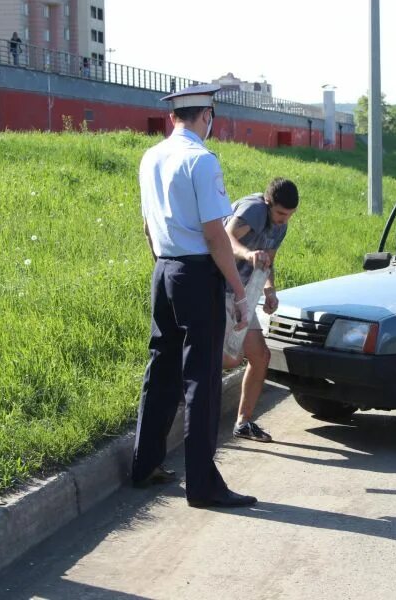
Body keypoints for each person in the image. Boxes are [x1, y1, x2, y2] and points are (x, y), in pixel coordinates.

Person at [132, 83, 256, 509]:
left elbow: (149, 225)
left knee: (161, 366)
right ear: (207, 117)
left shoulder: (151, 157)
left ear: (172, 118)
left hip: (163, 268)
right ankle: (203, 485)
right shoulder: (202, 161)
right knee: (201, 377)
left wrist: (164, 265)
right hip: (197, 273)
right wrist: (238, 292)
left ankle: (144, 463)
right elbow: (215, 235)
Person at [222, 178, 299, 442]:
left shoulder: (281, 225)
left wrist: (269, 290)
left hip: (243, 293)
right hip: (219, 288)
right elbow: (225, 239)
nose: (283, 220)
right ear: (268, 203)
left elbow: (268, 261)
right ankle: (182, 378)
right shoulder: (254, 209)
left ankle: (243, 423)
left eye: (289, 215)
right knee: (230, 359)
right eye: (280, 213)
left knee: (260, 356)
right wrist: (247, 254)